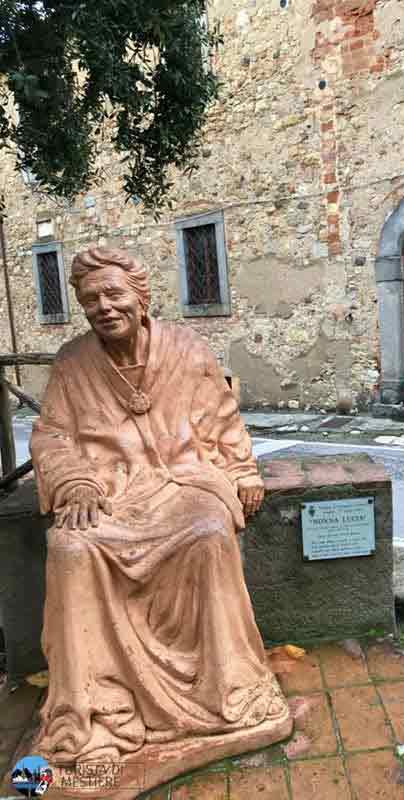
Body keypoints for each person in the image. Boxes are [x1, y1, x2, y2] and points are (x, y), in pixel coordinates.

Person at [30, 247, 290, 773]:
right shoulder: (72, 363)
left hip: (186, 481)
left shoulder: (188, 348)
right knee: (70, 546)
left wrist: (241, 472)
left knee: (209, 533)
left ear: (139, 298)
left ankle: (227, 687)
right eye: (90, 299)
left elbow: (223, 419)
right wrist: (75, 480)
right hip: (110, 490)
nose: (103, 306)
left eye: (114, 294)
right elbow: (52, 436)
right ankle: (94, 706)